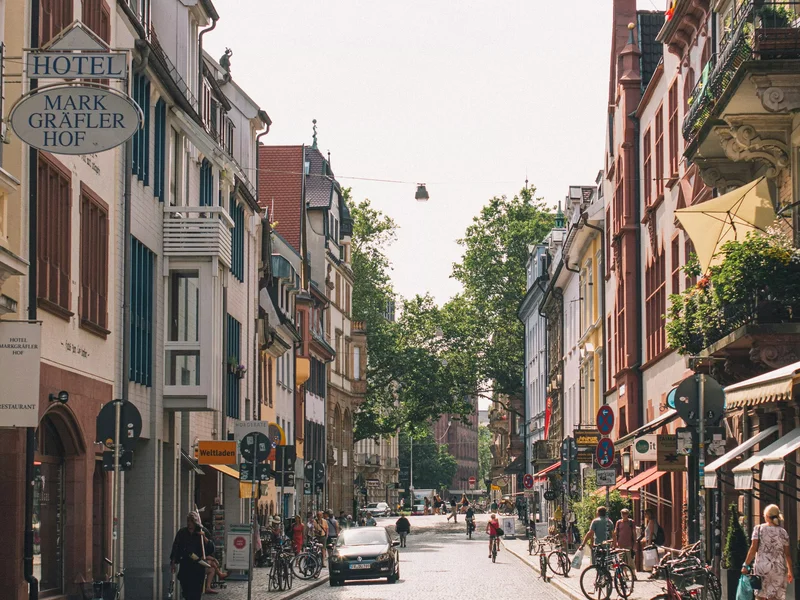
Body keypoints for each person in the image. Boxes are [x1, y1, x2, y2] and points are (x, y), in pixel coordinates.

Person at [742, 504, 794, 600]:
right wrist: (790, 571)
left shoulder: (758, 529)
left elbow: (753, 548)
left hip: (762, 568)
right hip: (778, 569)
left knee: (761, 596)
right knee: (775, 597)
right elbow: (787, 554)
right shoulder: (783, 532)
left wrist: (746, 564)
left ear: (766, 516)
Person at [170, 511, 215, 600]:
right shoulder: (182, 532)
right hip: (186, 565)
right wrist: (173, 562)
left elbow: (211, 548)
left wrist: (204, 538)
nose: (189, 523)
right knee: (186, 592)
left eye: (191, 521)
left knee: (196, 592)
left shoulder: (203, 531)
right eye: (188, 521)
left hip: (198, 566)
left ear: (195, 522)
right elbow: (176, 547)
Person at [613, 508, 637, 580]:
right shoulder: (619, 522)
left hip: (629, 544)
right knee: (622, 561)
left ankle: (633, 575)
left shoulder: (631, 522)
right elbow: (616, 532)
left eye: (625, 514)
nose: (623, 515)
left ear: (627, 514)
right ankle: (625, 575)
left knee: (630, 561)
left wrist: (635, 543)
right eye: (622, 514)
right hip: (620, 544)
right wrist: (615, 542)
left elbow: (634, 533)